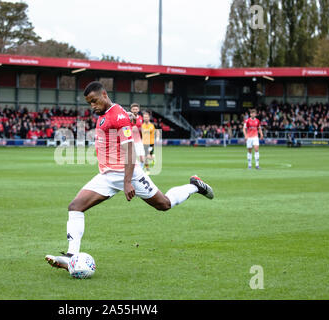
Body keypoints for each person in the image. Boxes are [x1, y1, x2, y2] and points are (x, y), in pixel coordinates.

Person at [45, 81, 214, 270]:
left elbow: (130, 151)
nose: (92, 106)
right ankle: (71, 256)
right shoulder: (108, 114)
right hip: (107, 175)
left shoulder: (117, 116)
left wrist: (127, 182)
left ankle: (194, 186)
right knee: (75, 207)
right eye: (89, 103)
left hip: (128, 174)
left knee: (164, 204)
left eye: (94, 101)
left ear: (104, 95)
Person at [129, 103, 145, 169]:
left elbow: (142, 128)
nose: (135, 110)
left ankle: (140, 170)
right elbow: (125, 128)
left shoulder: (141, 118)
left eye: (136, 109)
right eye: (133, 109)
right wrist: (131, 129)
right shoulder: (128, 118)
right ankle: (134, 170)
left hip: (139, 141)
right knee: (132, 158)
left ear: (138, 110)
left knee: (142, 158)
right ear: (131, 110)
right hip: (131, 140)